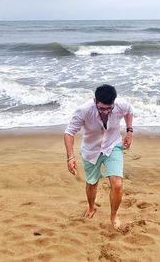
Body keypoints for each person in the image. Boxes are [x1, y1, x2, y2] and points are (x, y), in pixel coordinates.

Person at [64, 84, 133, 230]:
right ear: (95, 101)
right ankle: (91, 207)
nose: (106, 112)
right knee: (92, 183)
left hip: (112, 146)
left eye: (109, 108)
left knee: (117, 184)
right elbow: (69, 132)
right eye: (102, 108)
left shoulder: (120, 105)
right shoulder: (84, 110)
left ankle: (114, 215)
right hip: (91, 150)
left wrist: (129, 131)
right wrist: (70, 157)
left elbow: (129, 111)